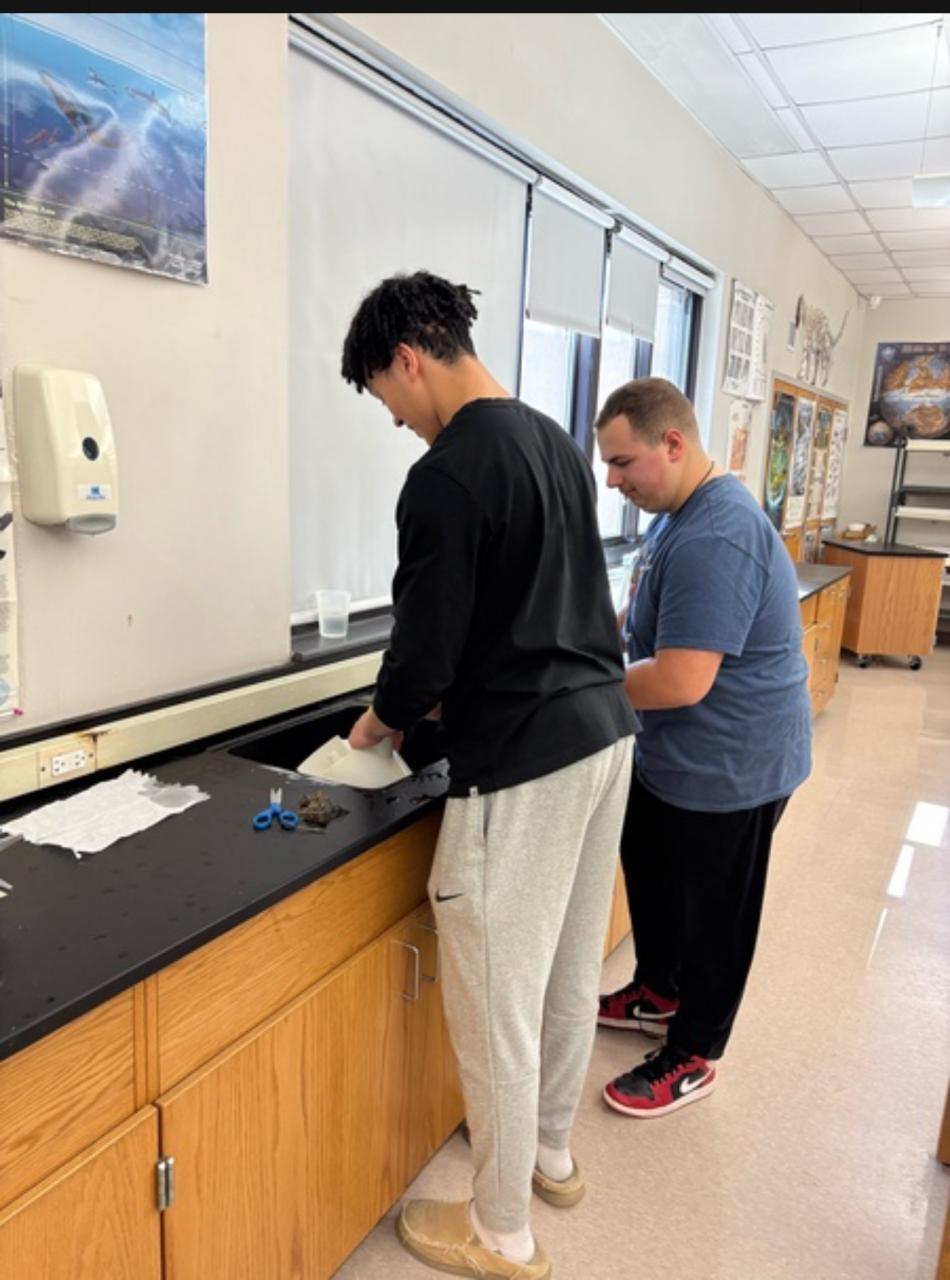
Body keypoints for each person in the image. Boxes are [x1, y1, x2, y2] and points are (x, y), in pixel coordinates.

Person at [340, 271, 637, 1279]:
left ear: (408, 359)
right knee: (565, 965)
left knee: (499, 996)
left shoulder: (449, 472)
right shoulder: (551, 442)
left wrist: (375, 725)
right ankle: (548, 1152)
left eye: (386, 397)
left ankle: (500, 1230)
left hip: (527, 758)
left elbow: (422, 657)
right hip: (605, 735)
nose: (397, 421)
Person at [594, 377, 811, 1118]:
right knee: (654, 873)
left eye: (622, 462)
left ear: (673, 444)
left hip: (735, 765)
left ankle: (695, 1052)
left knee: (715, 914)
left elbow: (682, 679)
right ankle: (659, 990)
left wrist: (578, 691)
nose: (613, 481)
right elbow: (638, 619)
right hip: (674, 757)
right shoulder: (673, 516)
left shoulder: (718, 534)